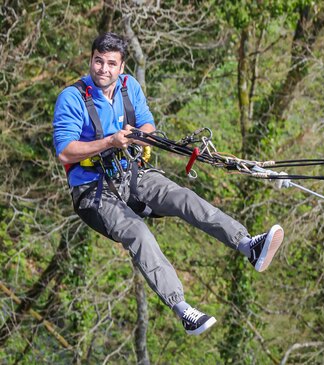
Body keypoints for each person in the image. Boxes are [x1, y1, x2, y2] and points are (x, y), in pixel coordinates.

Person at [53, 32, 284, 336]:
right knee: (137, 232)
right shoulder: (73, 97)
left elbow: (148, 124)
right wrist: (110, 140)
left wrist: (139, 134)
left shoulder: (128, 87)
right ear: (91, 60)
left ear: (121, 67)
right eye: (98, 61)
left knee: (182, 197)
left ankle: (246, 244)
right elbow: (65, 150)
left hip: (131, 173)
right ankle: (182, 308)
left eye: (111, 63)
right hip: (92, 190)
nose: (103, 69)